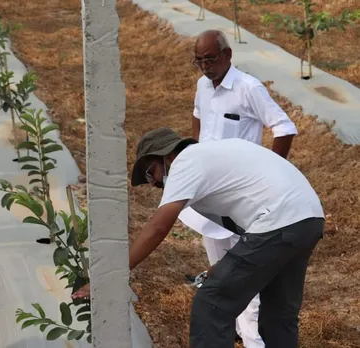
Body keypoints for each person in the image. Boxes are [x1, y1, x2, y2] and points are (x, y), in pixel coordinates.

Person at [74, 127, 324, 348]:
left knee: (212, 304)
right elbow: (251, 226)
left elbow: (159, 228)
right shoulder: (214, 157)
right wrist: (227, 264)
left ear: (168, 156)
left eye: (151, 173)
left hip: (278, 221)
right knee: (278, 317)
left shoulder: (186, 161)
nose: (154, 184)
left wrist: (113, 275)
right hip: (308, 219)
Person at [187, 29, 299, 346]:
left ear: (227, 55)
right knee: (221, 268)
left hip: (240, 196)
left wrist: (272, 169)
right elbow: (198, 116)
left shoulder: (248, 88)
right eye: (199, 60)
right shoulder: (202, 87)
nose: (205, 66)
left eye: (210, 58)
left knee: (246, 269)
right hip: (210, 193)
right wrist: (198, 150)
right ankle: (237, 329)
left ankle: (254, 340)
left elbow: (284, 127)